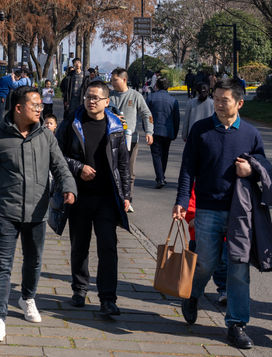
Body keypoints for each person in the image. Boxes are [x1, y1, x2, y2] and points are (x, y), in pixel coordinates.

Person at [0, 86, 77, 343]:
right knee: (2, 265)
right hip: (7, 211)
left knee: (33, 261)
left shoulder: (46, 137)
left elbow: (60, 166)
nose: (40, 109)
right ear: (18, 108)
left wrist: (69, 187)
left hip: (38, 212)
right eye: (34, 105)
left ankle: (27, 298)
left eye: (41, 106)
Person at [172, 78, 267, 350]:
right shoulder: (201, 130)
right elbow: (188, 168)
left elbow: (264, 165)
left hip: (240, 212)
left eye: (224, 100)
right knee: (206, 263)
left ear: (239, 103)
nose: (217, 103)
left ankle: (236, 324)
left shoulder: (250, 134)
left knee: (238, 268)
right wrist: (181, 200)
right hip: (207, 208)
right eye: (216, 98)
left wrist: (251, 170)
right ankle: (192, 295)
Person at [57, 79, 130, 316]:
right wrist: (78, 168)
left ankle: (108, 298)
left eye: (96, 98)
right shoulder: (72, 124)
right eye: (88, 96)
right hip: (79, 196)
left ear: (107, 102)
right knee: (80, 245)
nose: (90, 101)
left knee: (108, 247)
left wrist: (127, 195)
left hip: (107, 198)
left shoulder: (116, 127)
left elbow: (123, 163)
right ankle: (79, 289)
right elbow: (57, 156)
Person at [109, 68, 153, 211]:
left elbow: (146, 113)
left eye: (115, 80)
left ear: (124, 80)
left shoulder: (135, 96)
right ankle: (115, 197)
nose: (112, 82)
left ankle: (128, 199)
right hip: (112, 139)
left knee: (129, 170)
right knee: (113, 168)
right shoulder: (110, 96)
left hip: (131, 139)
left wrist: (149, 131)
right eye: (112, 79)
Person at [146, 76, 180, 188]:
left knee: (156, 155)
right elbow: (176, 119)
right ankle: (161, 176)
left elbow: (146, 115)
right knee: (164, 155)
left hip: (154, 130)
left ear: (156, 86)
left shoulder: (151, 98)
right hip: (168, 131)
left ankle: (160, 178)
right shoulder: (173, 101)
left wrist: (147, 130)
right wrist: (175, 132)